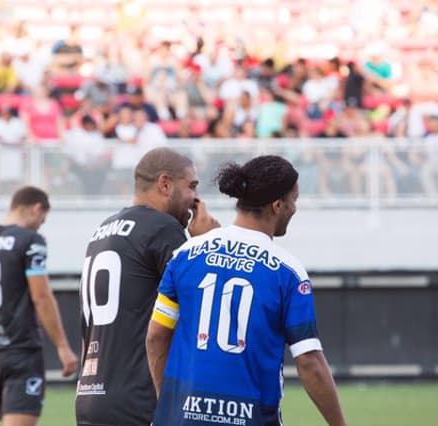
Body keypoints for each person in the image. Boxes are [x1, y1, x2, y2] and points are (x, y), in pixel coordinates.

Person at [146, 156, 347, 426]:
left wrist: (167, 403)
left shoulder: (186, 254)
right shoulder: (288, 271)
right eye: (294, 200)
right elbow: (310, 361)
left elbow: (157, 335)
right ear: (277, 205)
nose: (295, 209)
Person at [75, 147, 220, 426]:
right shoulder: (162, 228)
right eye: (191, 186)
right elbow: (203, 308)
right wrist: (207, 244)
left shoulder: (102, 230)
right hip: (139, 399)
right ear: (165, 184)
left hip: (90, 397)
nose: (195, 199)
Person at [0, 186, 78, 426]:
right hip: (21, 350)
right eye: (42, 220)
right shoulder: (31, 241)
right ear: (36, 208)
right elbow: (41, 296)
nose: (40, 225)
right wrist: (63, 346)